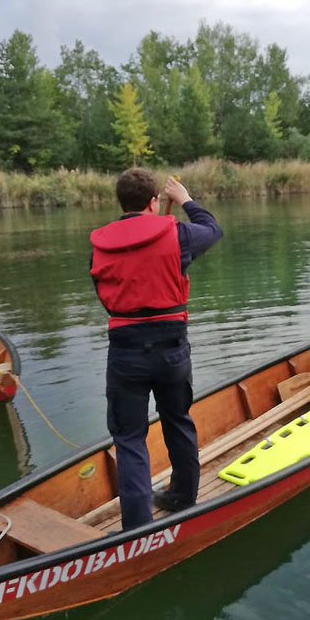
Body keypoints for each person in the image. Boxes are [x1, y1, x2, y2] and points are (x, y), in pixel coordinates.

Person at [90, 169, 222, 530]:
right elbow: (213, 231)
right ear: (153, 201)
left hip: (125, 351)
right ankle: (183, 499)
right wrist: (186, 200)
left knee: (129, 438)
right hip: (171, 350)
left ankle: (135, 528)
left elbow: (103, 292)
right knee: (177, 422)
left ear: (121, 202)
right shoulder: (176, 234)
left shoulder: (100, 244)